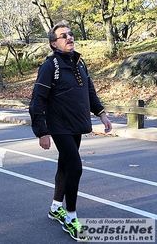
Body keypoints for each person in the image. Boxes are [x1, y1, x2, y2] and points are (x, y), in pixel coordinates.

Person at [29, 20, 112, 241]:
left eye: (71, 34)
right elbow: (37, 100)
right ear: (53, 44)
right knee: (75, 167)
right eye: (63, 36)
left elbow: (89, 90)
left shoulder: (79, 62)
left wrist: (101, 113)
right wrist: (42, 131)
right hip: (59, 126)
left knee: (64, 165)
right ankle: (71, 217)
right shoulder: (50, 67)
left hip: (76, 123)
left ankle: (56, 207)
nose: (69, 38)